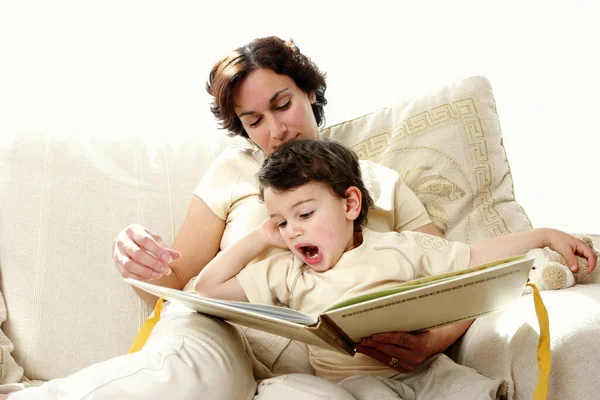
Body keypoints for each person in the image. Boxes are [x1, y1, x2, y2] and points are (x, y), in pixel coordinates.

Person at [4, 36, 595, 399]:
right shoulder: (233, 174)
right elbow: (185, 281)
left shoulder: (379, 182)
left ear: (309, 91)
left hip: (349, 363)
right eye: (254, 121)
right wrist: (137, 252)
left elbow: (445, 278)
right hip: (227, 330)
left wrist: (434, 340)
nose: (275, 129)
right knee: (191, 375)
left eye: (282, 104)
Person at [193, 138, 596, 399]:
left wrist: (541, 235)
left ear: (350, 205)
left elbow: (475, 256)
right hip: (350, 387)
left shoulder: (401, 247)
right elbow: (208, 289)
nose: (293, 232)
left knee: (468, 390)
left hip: (425, 371)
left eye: (304, 214)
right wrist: (262, 238)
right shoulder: (288, 271)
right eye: (281, 222)